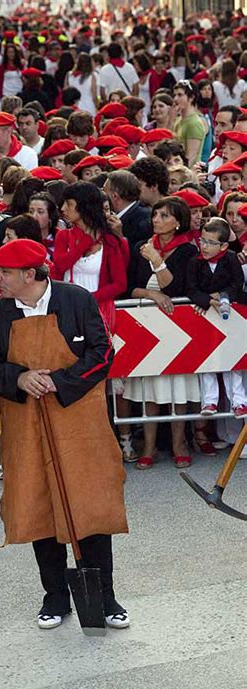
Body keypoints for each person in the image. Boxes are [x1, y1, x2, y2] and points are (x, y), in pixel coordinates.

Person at [0, 238, 129, 631]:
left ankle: (105, 597)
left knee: (91, 504)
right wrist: (21, 377)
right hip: (26, 423)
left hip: (79, 418)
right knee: (39, 504)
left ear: (29, 275)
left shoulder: (75, 299)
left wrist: (60, 382)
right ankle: (54, 597)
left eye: (4, 272)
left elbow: (102, 353)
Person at [124, 196, 199, 469]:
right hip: (145, 330)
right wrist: (151, 294)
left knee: (176, 389)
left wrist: (157, 261)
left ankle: (180, 443)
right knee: (150, 391)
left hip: (178, 330)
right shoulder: (140, 248)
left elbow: (178, 288)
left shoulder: (188, 251)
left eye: (165, 216)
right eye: (155, 215)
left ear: (178, 222)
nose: (156, 220)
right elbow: (129, 287)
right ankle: (149, 445)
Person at [186, 217, 246, 420]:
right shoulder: (194, 262)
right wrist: (208, 301)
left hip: (229, 315)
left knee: (232, 360)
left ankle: (239, 401)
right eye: (203, 240)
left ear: (223, 245)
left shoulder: (230, 259)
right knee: (207, 360)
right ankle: (209, 400)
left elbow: (237, 284)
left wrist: (222, 296)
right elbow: (191, 289)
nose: (205, 246)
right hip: (205, 315)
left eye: (211, 243)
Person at [53, 182, 127, 332]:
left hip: (98, 312)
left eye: (68, 204)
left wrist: (89, 299)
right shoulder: (63, 236)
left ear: (83, 206)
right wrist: (84, 242)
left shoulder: (109, 240)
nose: (63, 209)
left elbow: (120, 284)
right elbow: (60, 266)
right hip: (67, 310)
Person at [103, 170, 153, 250]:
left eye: (104, 192)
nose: (101, 197)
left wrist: (120, 236)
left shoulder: (144, 220)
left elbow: (141, 256)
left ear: (115, 196)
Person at [172, 81, 206, 167]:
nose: (175, 99)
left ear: (191, 98)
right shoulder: (178, 120)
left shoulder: (194, 123)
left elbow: (191, 157)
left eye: (180, 95)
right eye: (174, 95)